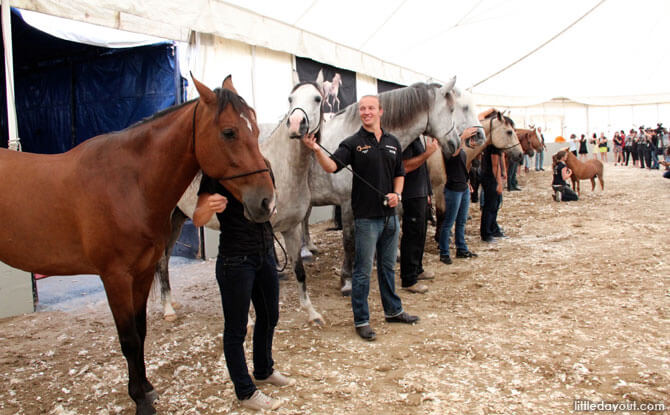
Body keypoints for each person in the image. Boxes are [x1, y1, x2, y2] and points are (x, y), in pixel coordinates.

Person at [302, 95, 419, 342]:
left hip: (390, 219)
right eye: (363, 109)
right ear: (360, 114)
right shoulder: (353, 143)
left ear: (380, 111)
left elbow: (400, 172)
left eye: (371, 108)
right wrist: (315, 149)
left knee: (387, 268)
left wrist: (397, 194)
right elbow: (332, 166)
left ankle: (393, 310)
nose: (367, 112)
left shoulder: (392, 142)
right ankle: (362, 320)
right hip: (366, 219)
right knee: (362, 272)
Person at [193, 171, 294, 411]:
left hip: (265, 252)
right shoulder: (216, 174)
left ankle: (263, 370)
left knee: (270, 315)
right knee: (236, 329)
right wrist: (209, 206)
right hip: (235, 259)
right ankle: (245, 391)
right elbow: (198, 218)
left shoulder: (265, 166)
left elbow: (273, 199)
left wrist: (273, 204)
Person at [399, 135, 439, 294]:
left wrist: (428, 192)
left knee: (420, 234)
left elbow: (423, 169)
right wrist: (427, 154)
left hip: (421, 193)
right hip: (411, 194)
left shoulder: (417, 139)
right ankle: (408, 279)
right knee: (412, 235)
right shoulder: (407, 141)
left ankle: (417, 269)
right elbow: (405, 167)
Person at [439, 127, 480, 264]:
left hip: (462, 188)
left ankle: (461, 248)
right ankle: (444, 253)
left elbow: (462, 166)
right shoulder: (448, 150)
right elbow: (454, 156)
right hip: (453, 189)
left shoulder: (460, 149)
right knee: (448, 223)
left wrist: (467, 181)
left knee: (461, 222)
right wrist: (462, 137)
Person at [480, 139, 506, 242]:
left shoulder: (495, 147)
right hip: (490, 179)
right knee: (490, 206)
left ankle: (493, 229)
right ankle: (487, 233)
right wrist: (498, 183)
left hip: (490, 178)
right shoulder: (494, 148)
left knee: (494, 205)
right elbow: (495, 166)